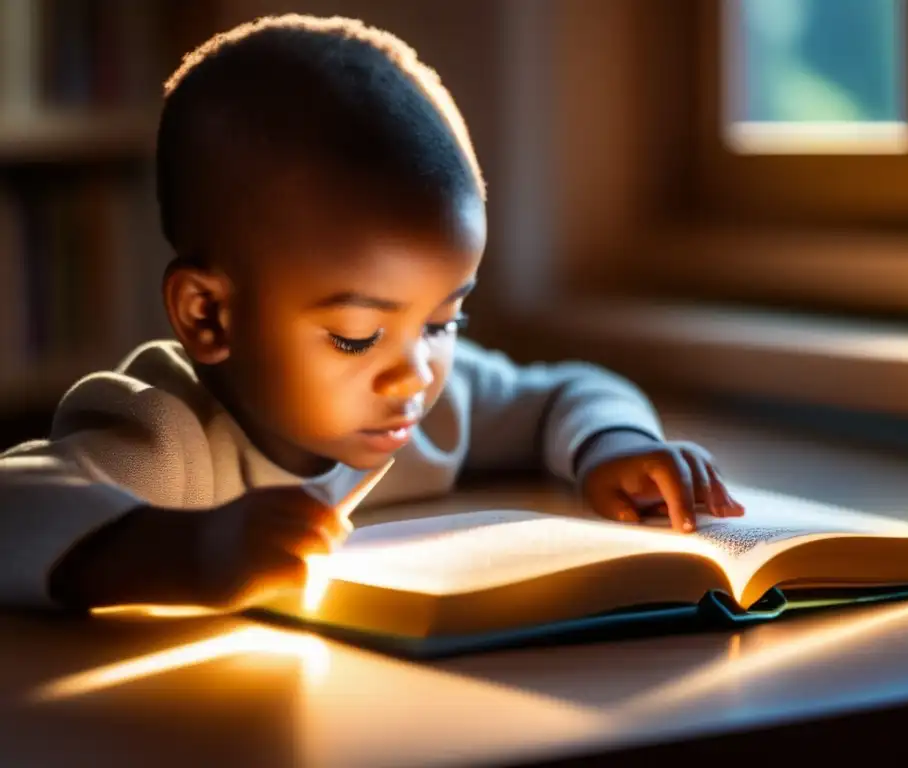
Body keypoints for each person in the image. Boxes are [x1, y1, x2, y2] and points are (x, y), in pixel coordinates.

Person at [0, 14, 743, 614]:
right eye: (356, 337)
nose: (415, 374)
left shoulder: (436, 403)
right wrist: (181, 550)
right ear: (209, 317)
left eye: (442, 322)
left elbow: (567, 393)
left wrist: (613, 445)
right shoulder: (170, 440)